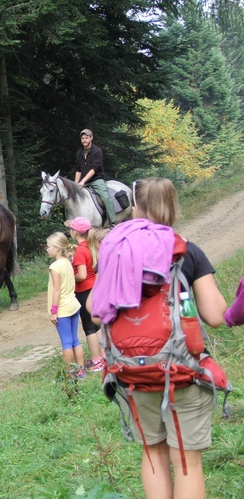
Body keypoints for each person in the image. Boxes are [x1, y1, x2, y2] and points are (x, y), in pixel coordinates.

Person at [93, 177, 227, 498]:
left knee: (153, 453)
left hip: (133, 371)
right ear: (172, 206)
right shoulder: (187, 251)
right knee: (186, 461)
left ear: (136, 207)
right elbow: (215, 315)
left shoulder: (118, 250)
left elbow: (96, 313)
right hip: (181, 368)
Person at [64, 217, 104, 372]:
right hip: (94, 287)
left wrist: (68, 277)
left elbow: (81, 275)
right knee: (97, 325)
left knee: (89, 328)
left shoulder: (80, 250)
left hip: (84, 291)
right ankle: (103, 356)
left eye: (71, 229)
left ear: (75, 232)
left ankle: (96, 360)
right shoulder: (90, 246)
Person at [46, 232, 85, 379]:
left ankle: (69, 373)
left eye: (48, 246)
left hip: (62, 309)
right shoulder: (68, 262)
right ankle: (81, 370)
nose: (47, 249)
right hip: (73, 305)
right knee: (75, 340)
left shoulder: (55, 266)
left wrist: (53, 311)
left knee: (66, 343)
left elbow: (57, 290)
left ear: (57, 248)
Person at [75, 129, 115, 225]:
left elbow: (94, 169)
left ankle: (112, 221)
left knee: (105, 197)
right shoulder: (79, 153)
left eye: (86, 138)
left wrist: (82, 181)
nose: (84, 140)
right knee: (70, 196)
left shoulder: (97, 151)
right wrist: (75, 184)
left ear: (91, 138)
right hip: (83, 181)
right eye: (82, 138)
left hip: (96, 180)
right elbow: (78, 170)